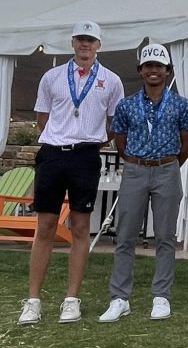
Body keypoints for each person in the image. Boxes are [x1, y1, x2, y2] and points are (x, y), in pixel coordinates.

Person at [18, 21, 125, 325]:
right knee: (46, 226)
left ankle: (71, 299)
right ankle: (33, 300)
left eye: (90, 41)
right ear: (72, 42)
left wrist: (88, 141)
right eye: (80, 40)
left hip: (86, 156)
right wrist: (61, 137)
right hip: (53, 154)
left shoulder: (111, 80)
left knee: (80, 228)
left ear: (99, 45)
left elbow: (113, 124)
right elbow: (42, 117)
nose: (84, 45)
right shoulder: (52, 76)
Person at [99, 44, 188, 322]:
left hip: (167, 169)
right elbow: (120, 141)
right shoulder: (126, 104)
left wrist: (169, 163)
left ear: (167, 71)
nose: (154, 71)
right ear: (141, 70)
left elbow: (186, 143)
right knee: (125, 236)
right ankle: (119, 298)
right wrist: (137, 161)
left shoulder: (181, 104)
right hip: (135, 170)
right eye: (148, 66)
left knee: (165, 237)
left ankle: (161, 296)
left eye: (159, 66)